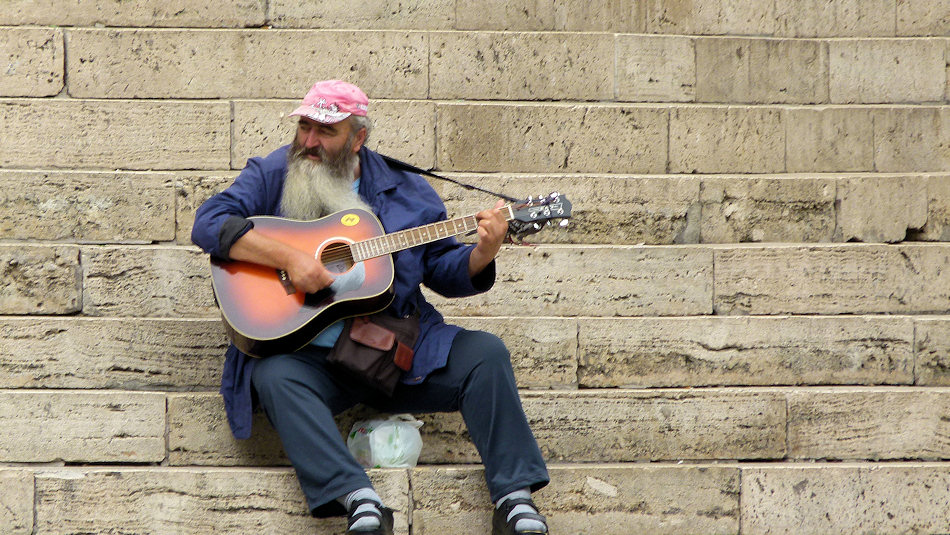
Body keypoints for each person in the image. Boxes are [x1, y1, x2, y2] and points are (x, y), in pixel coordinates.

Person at [192, 80, 550, 535]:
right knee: (272, 376)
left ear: (358, 138)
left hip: (396, 348)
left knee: (486, 354)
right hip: (313, 357)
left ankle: (514, 499)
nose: (308, 142)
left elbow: (442, 266)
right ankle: (357, 498)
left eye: (326, 131)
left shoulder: (408, 191)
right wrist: (288, 258)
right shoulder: (272, 173)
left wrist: (483, 253)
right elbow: (209, 222)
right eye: (304, 126)